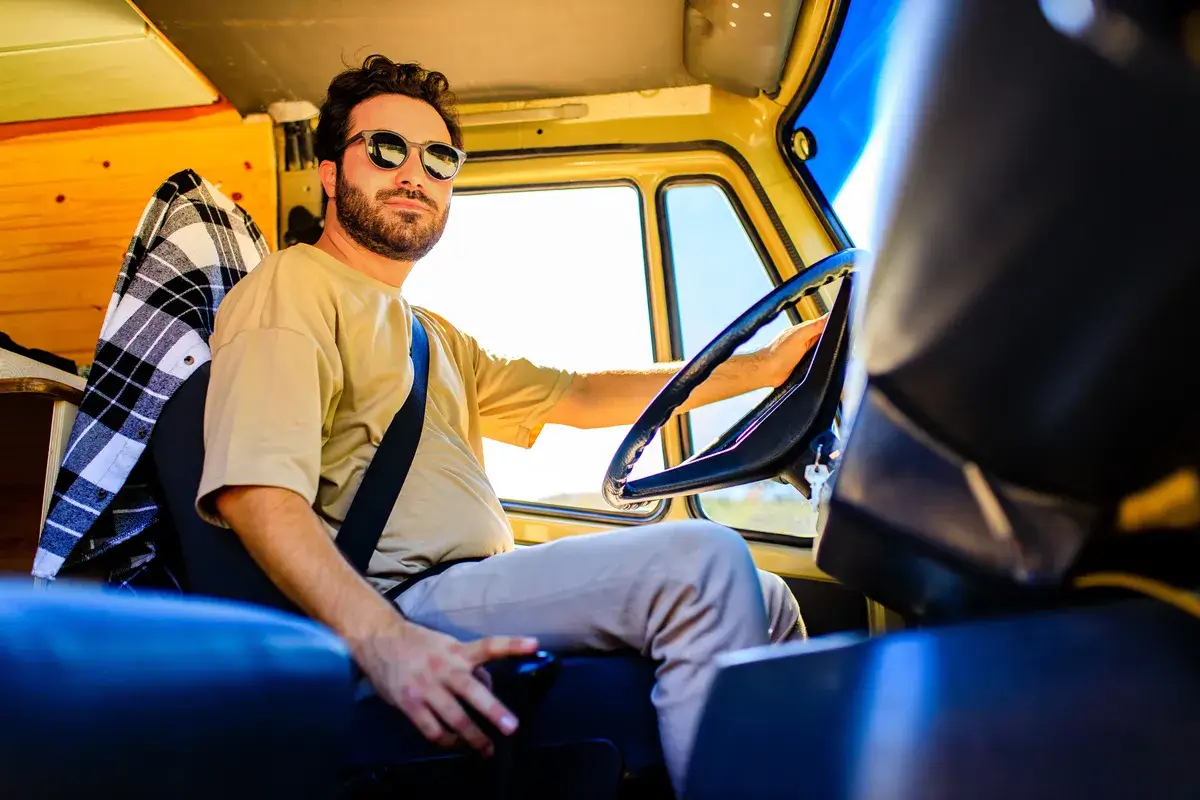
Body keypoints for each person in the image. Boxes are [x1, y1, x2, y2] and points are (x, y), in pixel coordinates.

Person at [197, 55, 827, 794]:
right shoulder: (293, 284)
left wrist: (762, 369)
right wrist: (386, 642)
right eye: (386, 149)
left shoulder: (432, 334)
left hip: (471, 582)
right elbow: (255, 492)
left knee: (770, 598)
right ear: (332, 173)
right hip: (399, 597)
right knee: (703, 564)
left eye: (439, 159)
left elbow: (583, 396)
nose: (415, 173)